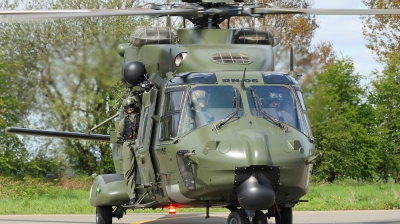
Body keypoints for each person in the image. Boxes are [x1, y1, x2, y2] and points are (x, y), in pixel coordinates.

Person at [116, 97, 140, 206]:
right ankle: (132, 196)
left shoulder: (142, 117)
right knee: (128, 171)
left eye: (130, 106)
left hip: (140, 143)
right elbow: (118, 136)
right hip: (128, 144)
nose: (129, 109)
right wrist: (126, 143)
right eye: (127, 107)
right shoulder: (123, 121)